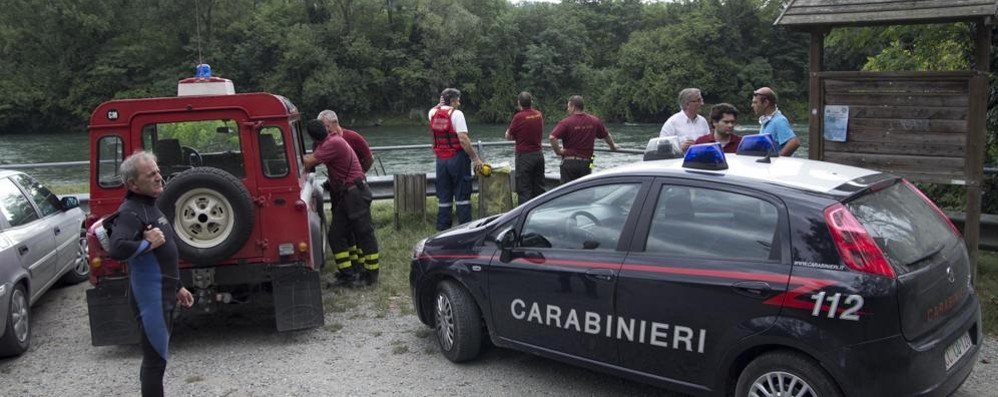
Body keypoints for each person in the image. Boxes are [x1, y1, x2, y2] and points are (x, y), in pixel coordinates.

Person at [107, 151, 194, 397]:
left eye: (157, 171)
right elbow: (117, 248)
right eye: (151, 175)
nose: (159, 177)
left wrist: (178, 287)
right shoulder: (131, 212)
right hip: (150, 300)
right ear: (133, 184)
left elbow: (163, 258)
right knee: (155, 362)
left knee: (159, 360)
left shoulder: (150, 207)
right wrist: (147, 244)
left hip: (163, 294)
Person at [303, 119, 380, 287]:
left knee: (364, 234)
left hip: (355, 194)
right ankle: (348, 275)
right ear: (325, 128)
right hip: (348, 194)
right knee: (336, 235)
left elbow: (308, 162)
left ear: (312, 136)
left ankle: (371, 275)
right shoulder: (330, 141)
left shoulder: (332, 143)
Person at [318, 109, 373, 272]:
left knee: (359, 228)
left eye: (326, 126)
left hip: (354, 189)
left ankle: (363, 265)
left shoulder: (353, 137)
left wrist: (357, 176)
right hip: (338, 191)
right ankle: (351, 265)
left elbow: (369, 158)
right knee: (341, 229)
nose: (324, 130)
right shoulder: (324, 141)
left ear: (335, 122)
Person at [429, 88, 484, 231]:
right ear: (452, 101)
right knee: (462, 194)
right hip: (457, 158)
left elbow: (435, 109)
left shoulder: (432, 113)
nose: (459, 103)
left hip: (441, 160)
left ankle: (442, 229)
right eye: (458, 99)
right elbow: (463, 139)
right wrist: (475, 158)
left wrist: (439, 104)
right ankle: (465, 229)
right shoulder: (457, 114)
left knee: (444, 195)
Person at [549, 95, 618, 184]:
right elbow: (606, 135)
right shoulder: (594, 120)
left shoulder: (565, 122)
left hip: (569, 162)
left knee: (567, 192)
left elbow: (552, 137)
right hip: (587, 163)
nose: (568, 109)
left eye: (568, 106)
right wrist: (612, 146)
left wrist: (558, 152)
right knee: (585, 191)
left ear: (573, 107)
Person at [504, 91, 545, 205]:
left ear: (519, 103)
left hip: (524, 157)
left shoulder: (518, 117)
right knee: (539, 188)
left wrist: (508, 132)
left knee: (524, 189)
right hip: (538, 155)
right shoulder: (538, 114)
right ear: (531, 102)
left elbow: (509, 136)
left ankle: (524, 217)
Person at [751, 87, 800, 156]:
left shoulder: (779, 120)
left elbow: (794, 142)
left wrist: (778, 160)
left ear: (765, 103)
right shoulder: (766, 121)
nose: (752, 105)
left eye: (755, 102)